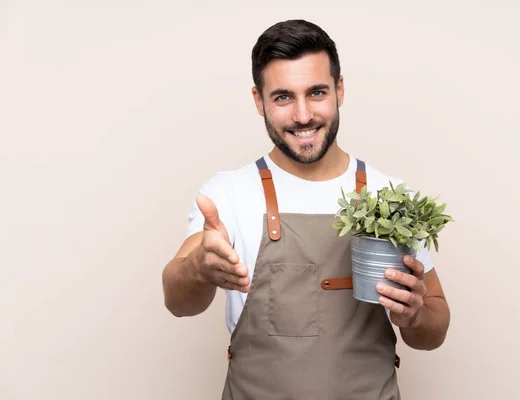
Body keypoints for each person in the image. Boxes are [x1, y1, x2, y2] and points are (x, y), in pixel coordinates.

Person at [162, 19, 450, 399]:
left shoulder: (389, 197)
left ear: (340, 89)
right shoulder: (227, 194)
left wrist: (414, 315)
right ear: (258, 101)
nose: (302, 115)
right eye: (283, 97)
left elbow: (435, 326)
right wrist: (199, 268)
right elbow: (177, 301)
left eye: (316, 93)